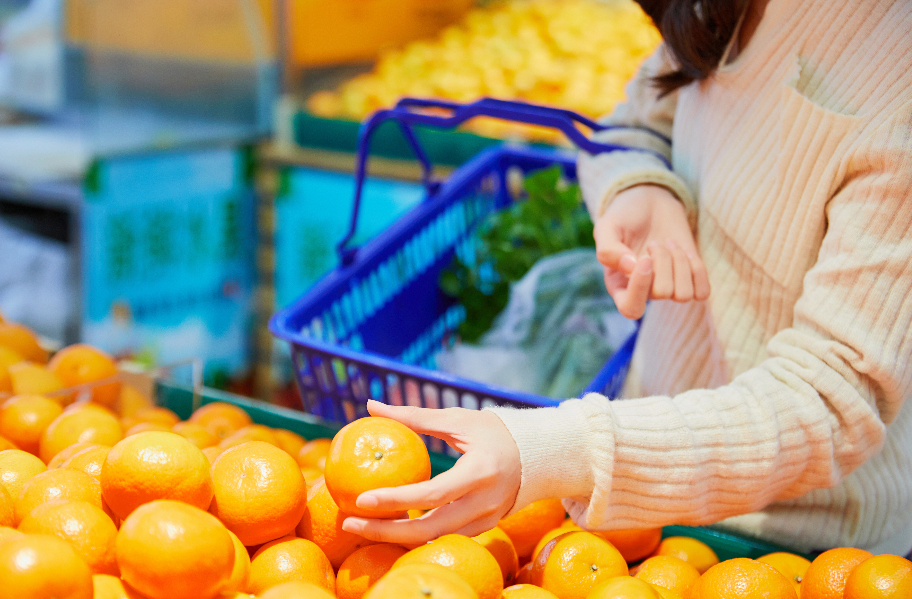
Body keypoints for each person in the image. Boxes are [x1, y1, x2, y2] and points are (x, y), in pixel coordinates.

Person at [341, 0, 912, 556]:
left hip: (801, 548)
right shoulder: (720, 9)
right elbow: (628, 125)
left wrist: (560, 450)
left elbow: (830, 403)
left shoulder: (894, 87)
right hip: (650, 506)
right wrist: (641, 185)